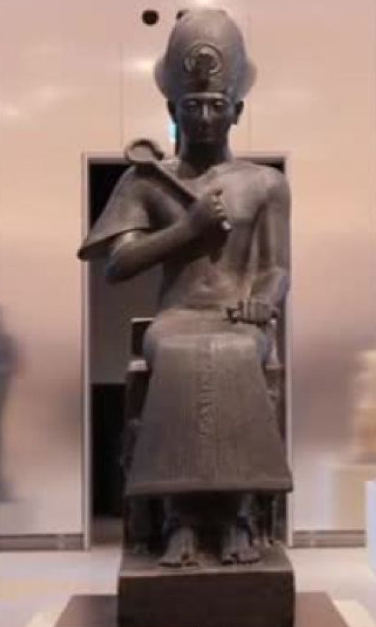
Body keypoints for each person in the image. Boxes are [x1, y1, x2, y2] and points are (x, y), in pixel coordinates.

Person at [78, 8, 291, 567]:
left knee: (236, 352)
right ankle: (179, 518)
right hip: (176, 318)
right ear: (172, 108)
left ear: (237, 110)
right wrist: (187, 230)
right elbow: (118, 265)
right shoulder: (146, 181)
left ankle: (238, 514)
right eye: (191, 105)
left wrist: (263, 302)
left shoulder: (265, 184)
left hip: (237, 317)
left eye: (216, 105)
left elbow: (275, 268)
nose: (204, 117)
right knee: (179, 353)